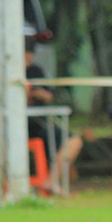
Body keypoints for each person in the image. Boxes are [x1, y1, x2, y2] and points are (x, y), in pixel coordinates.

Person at [25, 39, 84, 195]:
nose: (27, 59)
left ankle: (51, 182)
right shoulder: (2, 73)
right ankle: (7, 187)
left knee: (74, 141)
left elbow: (49, 96)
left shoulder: (36, 71)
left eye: (29, 55)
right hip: (12, 128)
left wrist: (38, 94)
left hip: (38, 124)